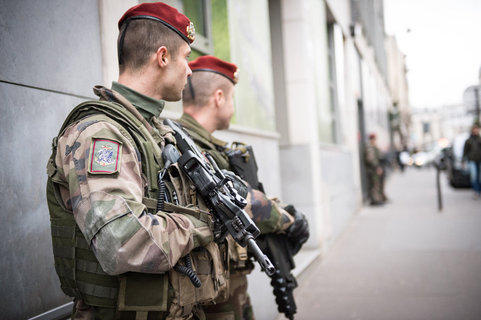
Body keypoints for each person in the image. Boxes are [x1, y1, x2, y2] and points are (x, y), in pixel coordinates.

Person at [46, 3, 229, 319]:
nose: (190, 69)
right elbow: (122, 243)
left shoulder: (157, 131)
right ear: (162, 57)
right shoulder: (101, 134)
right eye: (186, 57)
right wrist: (204, 224)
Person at [179, 55, 310, 320]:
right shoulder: (193, 150)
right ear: (218, 97)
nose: (232, 107)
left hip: (222, 286)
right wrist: (290, 220)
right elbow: (245, 203)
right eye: (231, 99)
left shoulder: (194, 143)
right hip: (214, 297)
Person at [364, 133, 386, 205]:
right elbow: (371, 159)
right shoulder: (370, 147)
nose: (374, 140)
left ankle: (378, 198)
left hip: (375, 169)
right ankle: (374, 200)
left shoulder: (374, 147)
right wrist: (377, 167)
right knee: (374, 185)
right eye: (373, 139)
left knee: (377, 184)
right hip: (372, 170)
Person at [463, 124, 481, 197]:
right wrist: (463, 161)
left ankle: (479, 190)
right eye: (474, 129)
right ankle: (476, 191)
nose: (476, 130)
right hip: (472, 160)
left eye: (477, 129)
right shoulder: (468, 140)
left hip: (480, 160)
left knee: (479, 177)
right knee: (474, 176)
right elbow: (465, 151)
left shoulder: (480, 139)